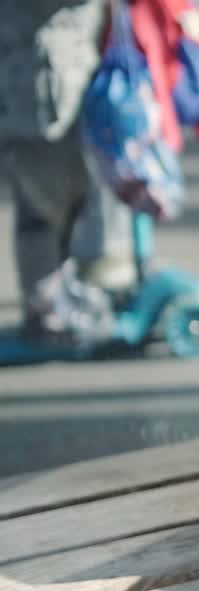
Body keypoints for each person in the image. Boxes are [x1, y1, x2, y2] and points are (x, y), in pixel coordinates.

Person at [1, 0, 136, 347]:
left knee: (65, 198)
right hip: (33, 89)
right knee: (43, 204)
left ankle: (60, 298)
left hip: (60, 78)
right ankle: (47, 311)